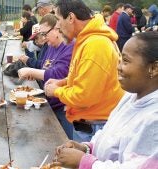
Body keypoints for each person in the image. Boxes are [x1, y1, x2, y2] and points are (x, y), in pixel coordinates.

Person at [54, 31, 158, 169]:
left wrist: (84, 162)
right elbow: (110, 136)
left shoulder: (154, 118)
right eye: (120, 60)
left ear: (154, 68)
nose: (118, 67)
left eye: (126, 61)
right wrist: (85, 148)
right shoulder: (130, 96)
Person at [44, 0, 124, 142]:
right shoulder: (86, 40)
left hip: (95, 128)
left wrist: (55, 91)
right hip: (91, 124)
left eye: (58, 20)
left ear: (70, 18)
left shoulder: (95, 44)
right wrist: (63, 82)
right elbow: (86, 78)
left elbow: (84, 96)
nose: (57, 26)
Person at [18, 14, 74, 139]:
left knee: (64, 142)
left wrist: (31, 72)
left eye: (45, 33)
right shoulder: (50, 46)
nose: (43, 38)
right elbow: (45, 68)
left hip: (63, 108)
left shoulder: (69, 47)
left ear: (57, 29)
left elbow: (58, 74)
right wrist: (38, 76)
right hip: (48, 104)